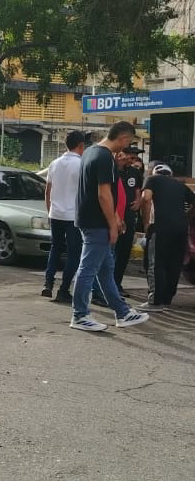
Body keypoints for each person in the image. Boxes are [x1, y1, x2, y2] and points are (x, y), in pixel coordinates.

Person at [69, 121, 149, 331]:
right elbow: (103, 194)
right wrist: (113, 224)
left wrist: (114, 218)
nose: (127, 147)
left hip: (91, 219)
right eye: (129, 142)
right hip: (97, 223)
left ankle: (122, 312)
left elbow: (104, 193)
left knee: (106, 270)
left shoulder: (89, 153)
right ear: (123, 138)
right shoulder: (105, 157)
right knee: (87, 269)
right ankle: (80, 315)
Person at [139, 163, 195, 310]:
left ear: (155, 172)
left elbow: (146, 199)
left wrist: (146, 223)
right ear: (170, 174)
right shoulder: (180, 185)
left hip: (161, 227)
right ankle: (167, 299)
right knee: (174, 264)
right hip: (181, 229)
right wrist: (184, 216)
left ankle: (155, 301)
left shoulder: (152, 179)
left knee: (156, 263)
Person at [41, 130, 85, 301]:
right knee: (74, 253)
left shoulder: (54, 163)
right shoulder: (81, 165)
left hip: (56, 213)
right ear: (81, 146)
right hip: (73, 215)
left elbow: (47, 191)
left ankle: (48, 284)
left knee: (55, 249)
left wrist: (49, 211)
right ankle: (64, 289)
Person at [112, 145, 144, 293]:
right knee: (111, 252)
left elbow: (138, 191)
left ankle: (117, 283)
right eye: (130, 158)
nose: (131, 161)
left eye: (134, 158)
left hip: (129, 217)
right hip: (113, 216)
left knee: (124, 252)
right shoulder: (112, 171)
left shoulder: (135, 172)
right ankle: (107, 285)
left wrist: (138, 201)